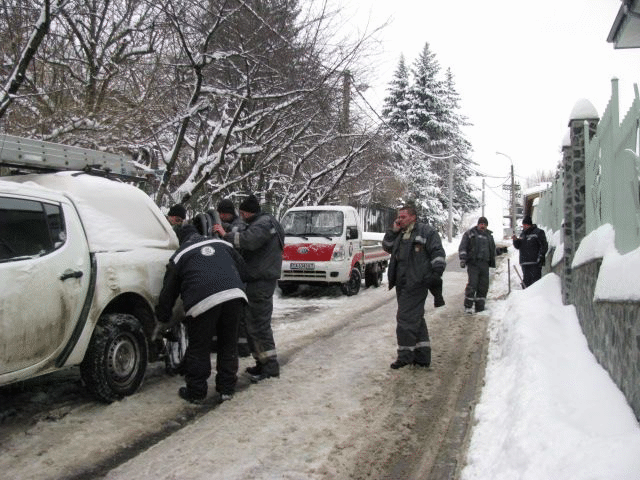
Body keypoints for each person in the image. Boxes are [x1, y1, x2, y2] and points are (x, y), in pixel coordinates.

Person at [155, 224, 248, 404]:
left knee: (199, 346)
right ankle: (227, 389)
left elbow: (169, 290)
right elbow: (244, 272)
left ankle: (196, 392)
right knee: (228, 344)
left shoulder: (180, 254)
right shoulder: (222, 244)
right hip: (234, 297)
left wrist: (162, 315)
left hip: (202, 302)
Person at [214, 193, 285, 382]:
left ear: (246, 212)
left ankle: (270, 367)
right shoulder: (264, 222)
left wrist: (225, 235)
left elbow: (248, 240)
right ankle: (262, 363)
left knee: (259, 325)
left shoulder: (263, 224)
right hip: (258, 280)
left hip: (260, 282)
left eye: (242, 213)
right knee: (254, 324)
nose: (241, 216)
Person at [382, 204, 446, 369]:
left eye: (403, 217)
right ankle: (422, 356)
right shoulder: (400, 233)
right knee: (415, 318)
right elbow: (387, 246)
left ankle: (405, 356)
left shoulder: (427, 232)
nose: (399, 220)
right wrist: (393, 230)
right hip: (401, 284)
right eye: (398, 217)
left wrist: (435, 273)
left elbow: (438, 253)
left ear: (413, 217)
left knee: (405, 319)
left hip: (417, 283)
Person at [458, 216, 496, 314]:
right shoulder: (470, 234)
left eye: (484, 224)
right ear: (478, 224)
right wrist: (463, 259)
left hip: (485, 264)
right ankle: (468, 306)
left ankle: (480, 307)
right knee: (473, 284)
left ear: (486, 226)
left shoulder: (489, 236)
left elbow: (492, 250)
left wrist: (500, 251)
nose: (482, 226)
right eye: (481, 224)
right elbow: (463, 247)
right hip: (473, 263)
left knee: (483, 286)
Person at [512, 215, 548, 288]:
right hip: (525, 263)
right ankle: (526, 298)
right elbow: (518, 246)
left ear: (530, 224)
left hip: (535, 263)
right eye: (523, 225)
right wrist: (515, 240)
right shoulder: (523, 234)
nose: (524, 226)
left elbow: (544, 245)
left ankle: (536, 298)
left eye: (526, 224)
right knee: (526, 283)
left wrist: (541, 256)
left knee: (535, 283)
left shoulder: (538, 232)